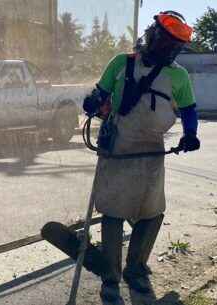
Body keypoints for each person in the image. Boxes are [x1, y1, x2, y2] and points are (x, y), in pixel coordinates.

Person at [81, 10, 199, 305]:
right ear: (151, 35)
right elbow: (100, 92)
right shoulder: (121, 63)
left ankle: (135, 270)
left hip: (152, 151)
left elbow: (189, 109)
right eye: (164, 41)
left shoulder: (178, 76)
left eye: (173, 46)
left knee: (152, 212)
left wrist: (190, 134)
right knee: (113, 210)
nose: (166, 48)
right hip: (117, 146)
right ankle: (111, 277)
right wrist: (93, 101)